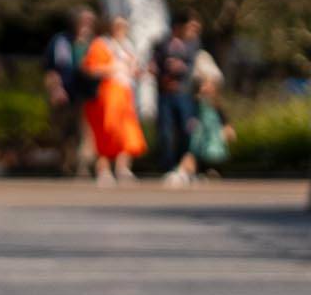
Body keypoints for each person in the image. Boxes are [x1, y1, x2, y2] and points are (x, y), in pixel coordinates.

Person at [82, 15, 147, 184]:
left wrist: (139, 72)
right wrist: (111, 67)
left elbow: (134, 69)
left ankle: (123, 168)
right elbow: (90, 68)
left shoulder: (128, 46)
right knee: (107, 129)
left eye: (123, 26)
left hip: (125, 92)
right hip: (108, 92)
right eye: (118, 26)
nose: (121, 30)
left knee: (127, 132)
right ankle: (103, 169)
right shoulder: (101, 44)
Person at [43, 9, 97, 178]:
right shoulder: (60, 41)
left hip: (87, 93)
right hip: (65, 92)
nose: (85, 25)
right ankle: (66, 164)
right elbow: (51, 68)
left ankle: (83, 166)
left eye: (89, 22)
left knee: (86, 131)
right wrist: (55, 89)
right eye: (83, 21)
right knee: (65, 131)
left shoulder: (94, 42)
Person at [152, 15, 203, 180]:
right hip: (166, 94)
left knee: (186, 130)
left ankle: (183, 165)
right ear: (178, 27)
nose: (191, 31)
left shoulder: (193, 46)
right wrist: (160, 75)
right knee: (165, 131)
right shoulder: (161, 44)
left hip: (184, 94)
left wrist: (182, 68)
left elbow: (194, 68)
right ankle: (169, 167)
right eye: (188, 27)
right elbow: (154, 65)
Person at [177, 40, 231, 183]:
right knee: (197, 149)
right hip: (200, 130)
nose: (206, 87)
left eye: (209, 84)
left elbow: (222, 114)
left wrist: (227, 126)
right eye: (203, 84)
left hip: (212, 131)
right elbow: (193, 113)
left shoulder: (215, 102)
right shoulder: (197, 101)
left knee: (213, 150)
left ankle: (213, 169)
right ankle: (197, 170)